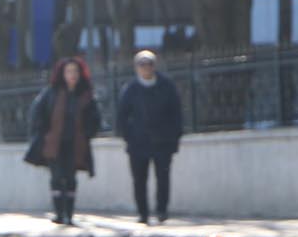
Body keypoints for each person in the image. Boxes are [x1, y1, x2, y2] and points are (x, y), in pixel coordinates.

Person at [23, 57, 100, 226]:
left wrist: (87, 133)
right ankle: (59, 213)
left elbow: (95, 119)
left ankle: (69, 214)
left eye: (75, 71)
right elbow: (37, 115)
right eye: (69, 71)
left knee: (71, 179)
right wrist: (43, 135)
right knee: (57, 177)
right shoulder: (52, 93)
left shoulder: (85, 95)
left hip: (76, 144)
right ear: (62, 74)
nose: (72, 75)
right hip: (54, 145)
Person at [115, 50, 182, 224]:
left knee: (163, 178)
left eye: (149, 64)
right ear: (136, 68)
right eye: (142, 65)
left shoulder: (166, 86)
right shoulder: (130, 89)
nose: (146, 68)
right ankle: (142, 213)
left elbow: (176, 114)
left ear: (154, 66)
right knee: (139, 180)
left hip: (162, 142)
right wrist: (128, 136)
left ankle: (161, 210)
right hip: (138, 144)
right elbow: (122, 116)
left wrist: (174, 138)